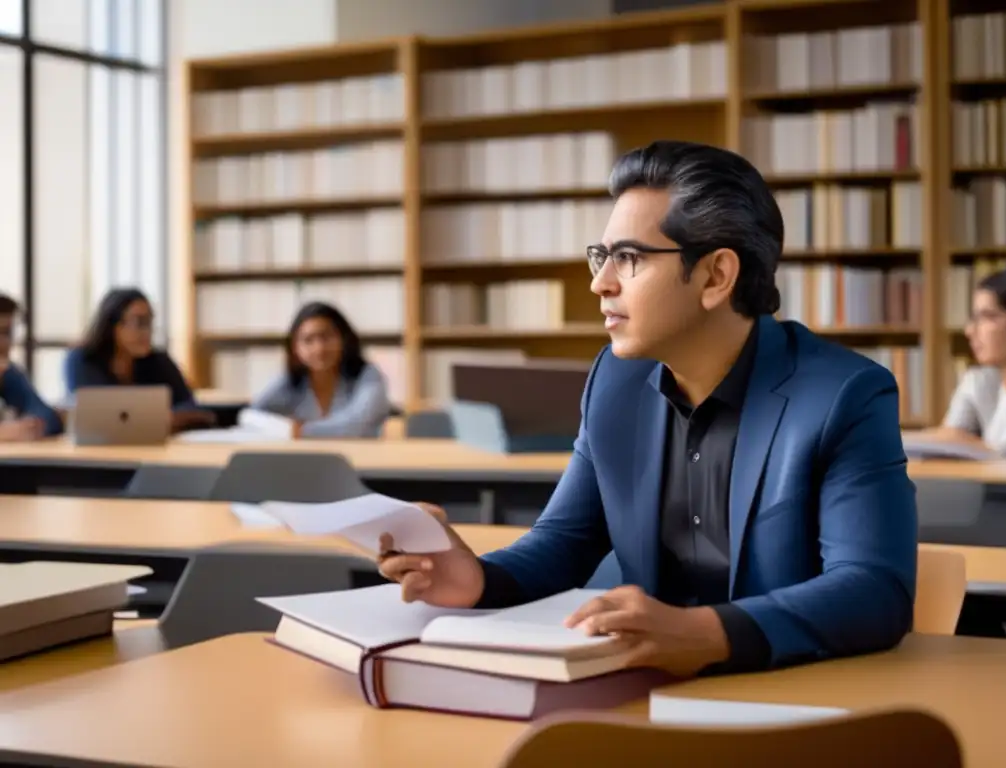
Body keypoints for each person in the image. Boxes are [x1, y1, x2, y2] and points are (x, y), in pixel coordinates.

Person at [378, 141, 918, 678]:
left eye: (629, 258)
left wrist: (707, 633)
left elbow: (874, 589)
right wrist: (476, 579)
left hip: (787, 694)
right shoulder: (616, 381)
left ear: (715, 276)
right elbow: (564, 541)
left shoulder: (844, 394)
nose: (600, 283)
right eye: (602, 255)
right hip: (639, 688)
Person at [63, 288, 215, 433]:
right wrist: (154, 420)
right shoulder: (82, 360)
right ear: (113, 325)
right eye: (139, 323)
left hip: (155, 450)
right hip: (99, 449)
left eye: (150, 323)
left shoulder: (159, 361)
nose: (147, 332)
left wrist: (169, 418)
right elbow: (92, 415)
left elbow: (190, 405)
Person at [250, 301, 391, 438]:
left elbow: (356, 424)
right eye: (308, 340)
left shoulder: (367, 376)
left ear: (344, 339)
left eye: (326, 337)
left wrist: (302, 431)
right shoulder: (291, 380)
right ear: (295, 348)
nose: (319, 348)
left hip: (363, 459)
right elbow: (252, 416)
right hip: (307, 459)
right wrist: (281, 428)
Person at [927, 267, 1006, 453]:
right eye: (974, 318)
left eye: (987, 317)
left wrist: (968, 443)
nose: (970, 331)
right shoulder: (980, 382)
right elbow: (948, 437)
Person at [0, 294, 63, 440]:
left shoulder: (10, 374)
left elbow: (48, 418)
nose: (6, 343)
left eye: (10, 333)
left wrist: (30, 425)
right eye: (2, 332)